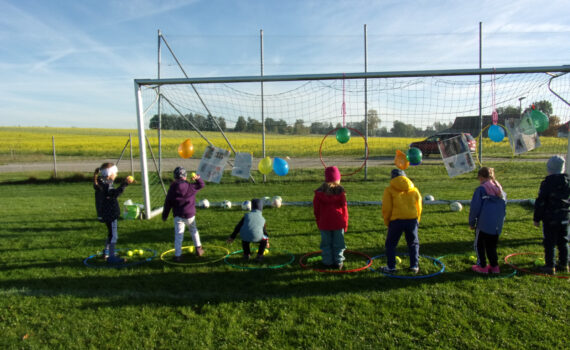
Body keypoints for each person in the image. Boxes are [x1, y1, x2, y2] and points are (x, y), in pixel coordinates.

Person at [533, 155, 570, 275]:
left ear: (550, 169)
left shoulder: (547, 183)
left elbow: (541, 202)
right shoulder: (568, 182)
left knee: (549, 242)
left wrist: (536, 218)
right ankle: (564, 264)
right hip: (564, 217)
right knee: (563, 241)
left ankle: (550, 266)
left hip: (550, 218)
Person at [381, 169, 422, 274]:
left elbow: (387, 208)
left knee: (391, 244)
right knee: (413, 243)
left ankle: (391, 267)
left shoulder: (389, 190)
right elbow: (419, 207)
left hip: (396, 221)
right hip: (412, 220)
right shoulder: (414, 189)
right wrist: (417, 219)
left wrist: (387, 221)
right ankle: (414, 266)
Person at [162, 167, 205, 262]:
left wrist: (165, 215)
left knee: (178, 235)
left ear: (175, 177)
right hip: (190, 215)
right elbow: (202, 185)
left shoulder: (172, 188)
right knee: (194, 230)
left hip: (178, 216)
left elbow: (167, 203)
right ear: (185, 176)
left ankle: (178, 255)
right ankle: (198, 249)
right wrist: (198, 179)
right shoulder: (191, 186)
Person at [468, 167, 507, 274]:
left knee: (479, 245)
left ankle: (482, 267)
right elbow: (504, 206)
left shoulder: (481, 190)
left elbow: (475, 208)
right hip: (497, 225)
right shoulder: (499, 188)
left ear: (480, 177)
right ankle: (495, 267)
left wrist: (472, 222)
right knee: (491, 246)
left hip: (484, 224)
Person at [93, 162, 134, 263]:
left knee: (110, 234)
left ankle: (106, 252)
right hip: (110, 214)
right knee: (114, 236)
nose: (116, 175)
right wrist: (125, 183)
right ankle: (111, 257)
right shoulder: (107, 185)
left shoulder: (101, 182)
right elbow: (115, 194)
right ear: (110, 174)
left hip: (106, 213)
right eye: (115, 173)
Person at [313, 166, 348, 270]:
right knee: (339, 244)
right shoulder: (341, 193)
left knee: (326, 244)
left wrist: (319, 221)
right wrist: (345, 223)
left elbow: (316, 210)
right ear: (338, 179)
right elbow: (344, 210)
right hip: (338, 223)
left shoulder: (319, 194)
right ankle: (338, 262)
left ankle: (327, 262)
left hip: (324, 223)